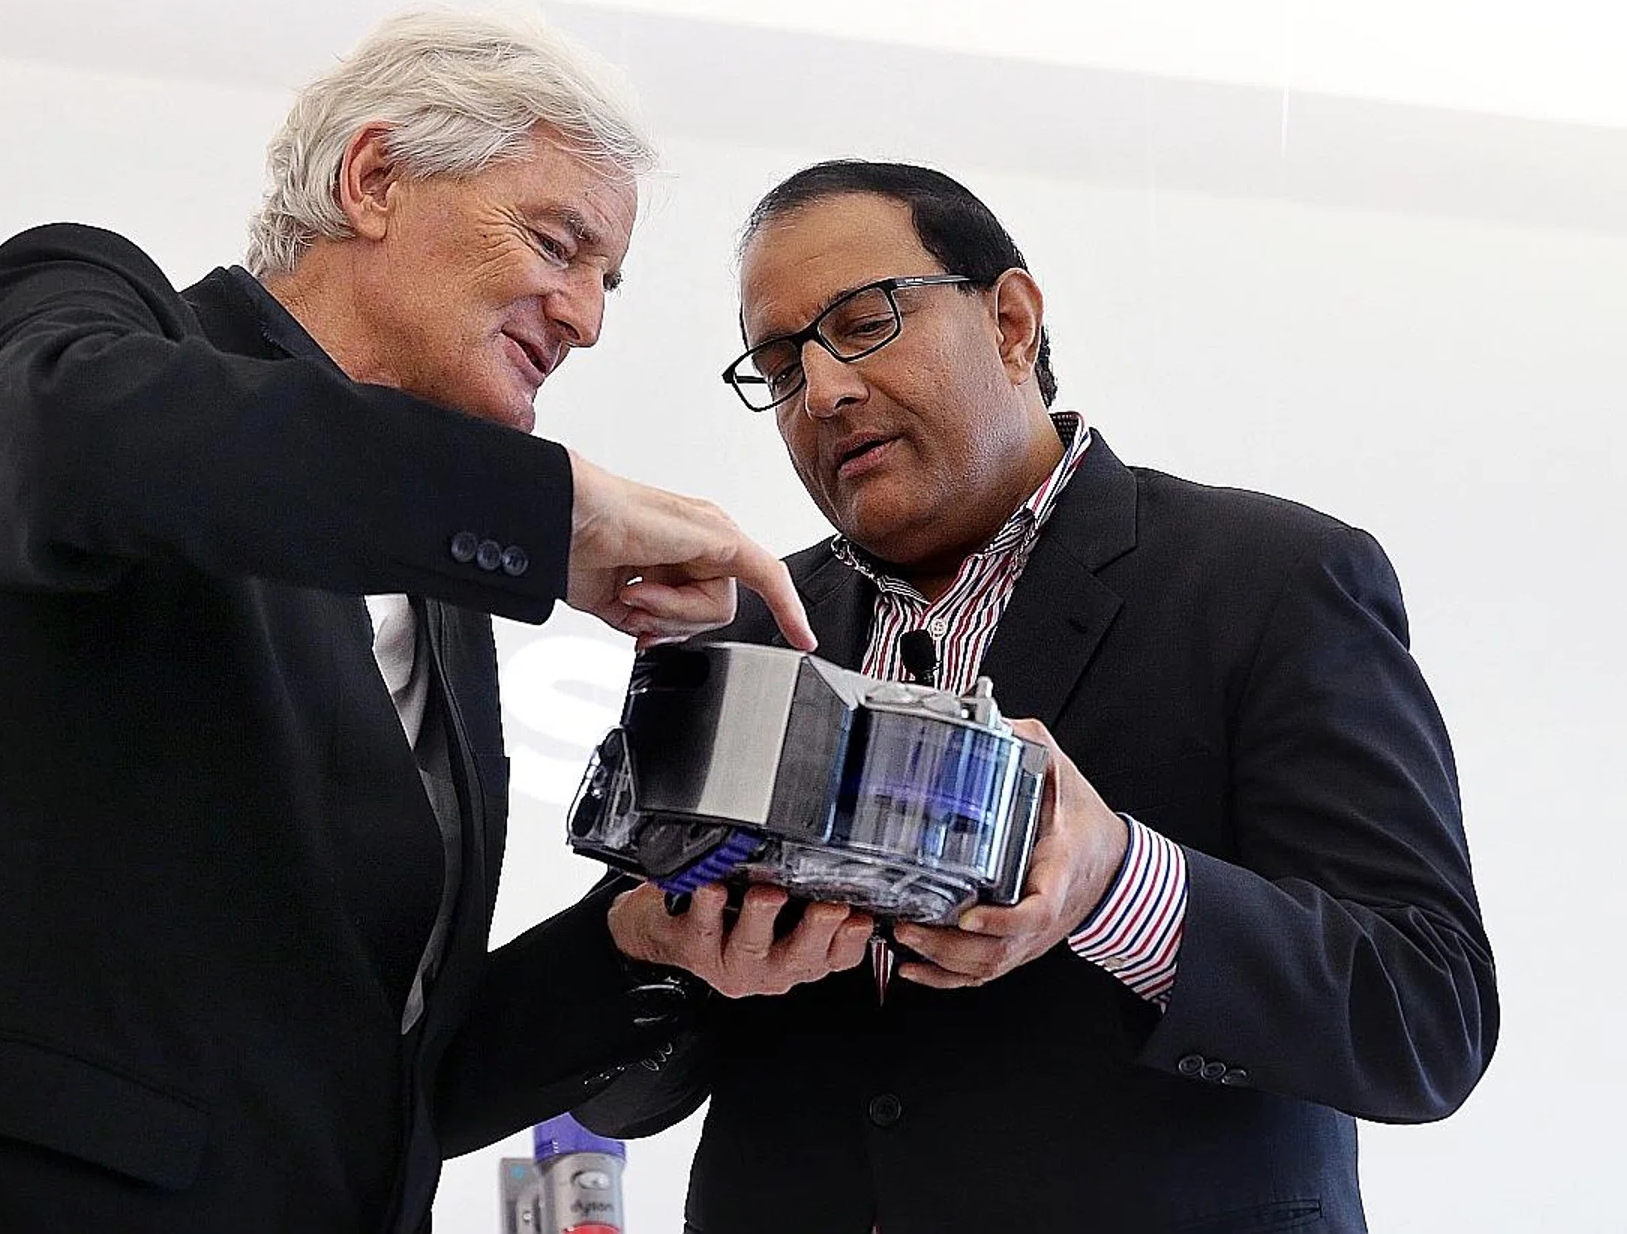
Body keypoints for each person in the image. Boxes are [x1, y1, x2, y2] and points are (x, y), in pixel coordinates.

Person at [0, 11, 865, 1234]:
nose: (585, 317)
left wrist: (641, 937)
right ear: (374, 177)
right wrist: (555, 511)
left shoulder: (443, 601)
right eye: (557, 243)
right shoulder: (89, 317)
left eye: (604, 280)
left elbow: (387, 1086)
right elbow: (61, 448)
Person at [577, 161, 1498, 1233]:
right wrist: (664, 954)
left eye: (864, 325)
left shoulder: (1273, 579)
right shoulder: (742, 631)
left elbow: (1425, 1017)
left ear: (1011, 322)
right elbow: (616, 1092)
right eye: (781, 368)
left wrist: (1115, 882)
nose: (822, 392)